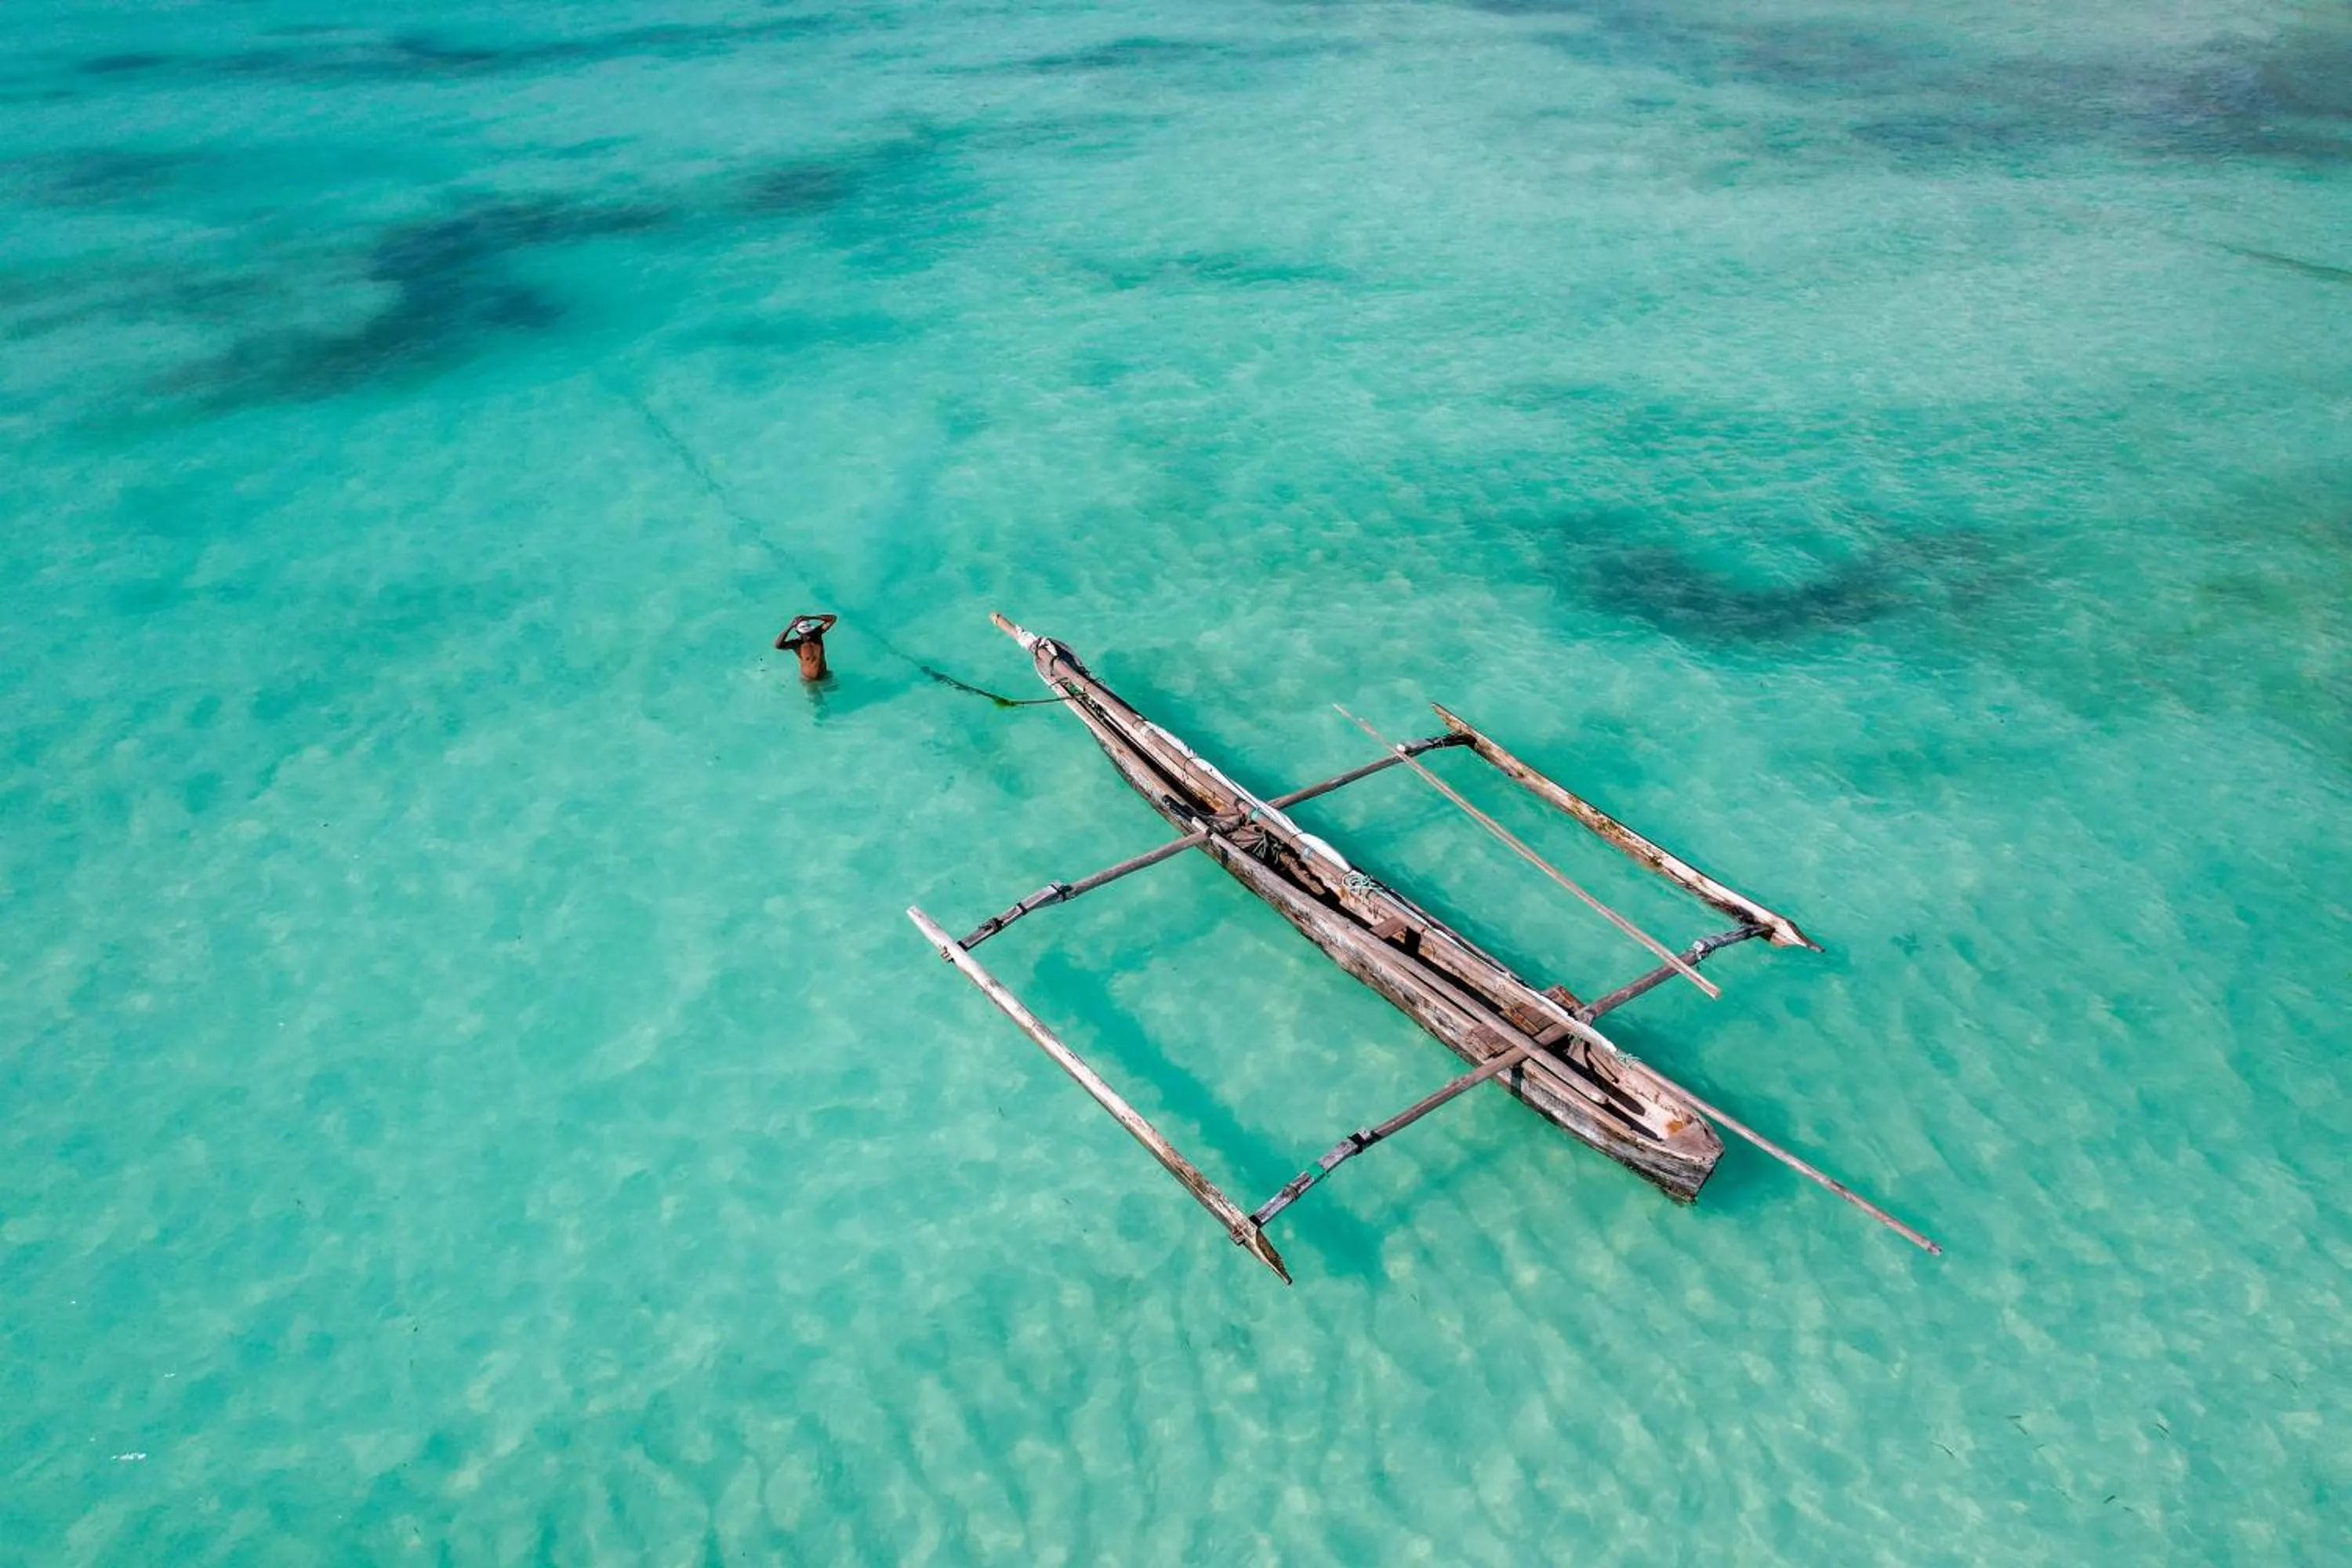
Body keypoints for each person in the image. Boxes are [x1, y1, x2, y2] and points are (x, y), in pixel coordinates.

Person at [775, 613, 837, 681]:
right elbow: (778, 645)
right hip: (809, 680)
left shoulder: (817, 634)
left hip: (824, 675)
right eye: (805, 633)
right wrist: (790, 627)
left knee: (834, 690)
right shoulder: (797, 644)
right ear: (798, 633)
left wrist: (811, 617)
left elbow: (833, 619)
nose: (809, 635)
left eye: (809, 631)